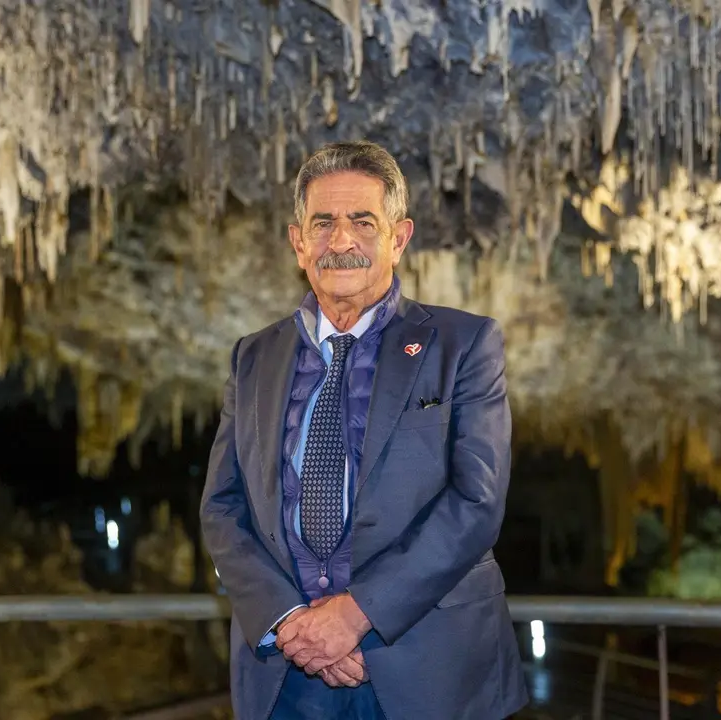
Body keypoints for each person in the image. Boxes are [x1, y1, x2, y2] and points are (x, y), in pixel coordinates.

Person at [199, 140, 529, 719]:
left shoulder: (464, 345)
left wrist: (354, 615)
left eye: (362, 221)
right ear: (297, 242)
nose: (342, 241)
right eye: (322, 223)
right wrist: (291, 622)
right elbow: (222, 509)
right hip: (287, 671)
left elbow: (477, 502)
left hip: (429, 666)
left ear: (399, 238)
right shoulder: (251, 358)